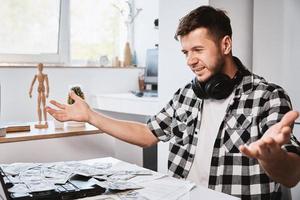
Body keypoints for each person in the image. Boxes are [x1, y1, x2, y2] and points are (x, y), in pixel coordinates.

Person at [46, 6, 300, 199]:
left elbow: (292, 175)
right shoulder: (187, 95)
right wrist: (91, 116)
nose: (190, 61)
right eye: (185, 52)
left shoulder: (268, 96)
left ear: (226, 44)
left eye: (198, 50)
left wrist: (272, 157)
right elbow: (147, 134)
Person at [29, 63, 49, 128]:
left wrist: (47, 92)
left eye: (41, 66)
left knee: (44, 105)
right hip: (39, 89)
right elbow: (32, 84)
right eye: (39, 66)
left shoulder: (45, 75)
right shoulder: (36, 75)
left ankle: (45, 120)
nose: (40, 68)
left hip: (42, 89)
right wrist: (30, 91)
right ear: (37, 67)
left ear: (43, 67)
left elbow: (47, 84)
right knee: (38, 105)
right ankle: (40, 120)